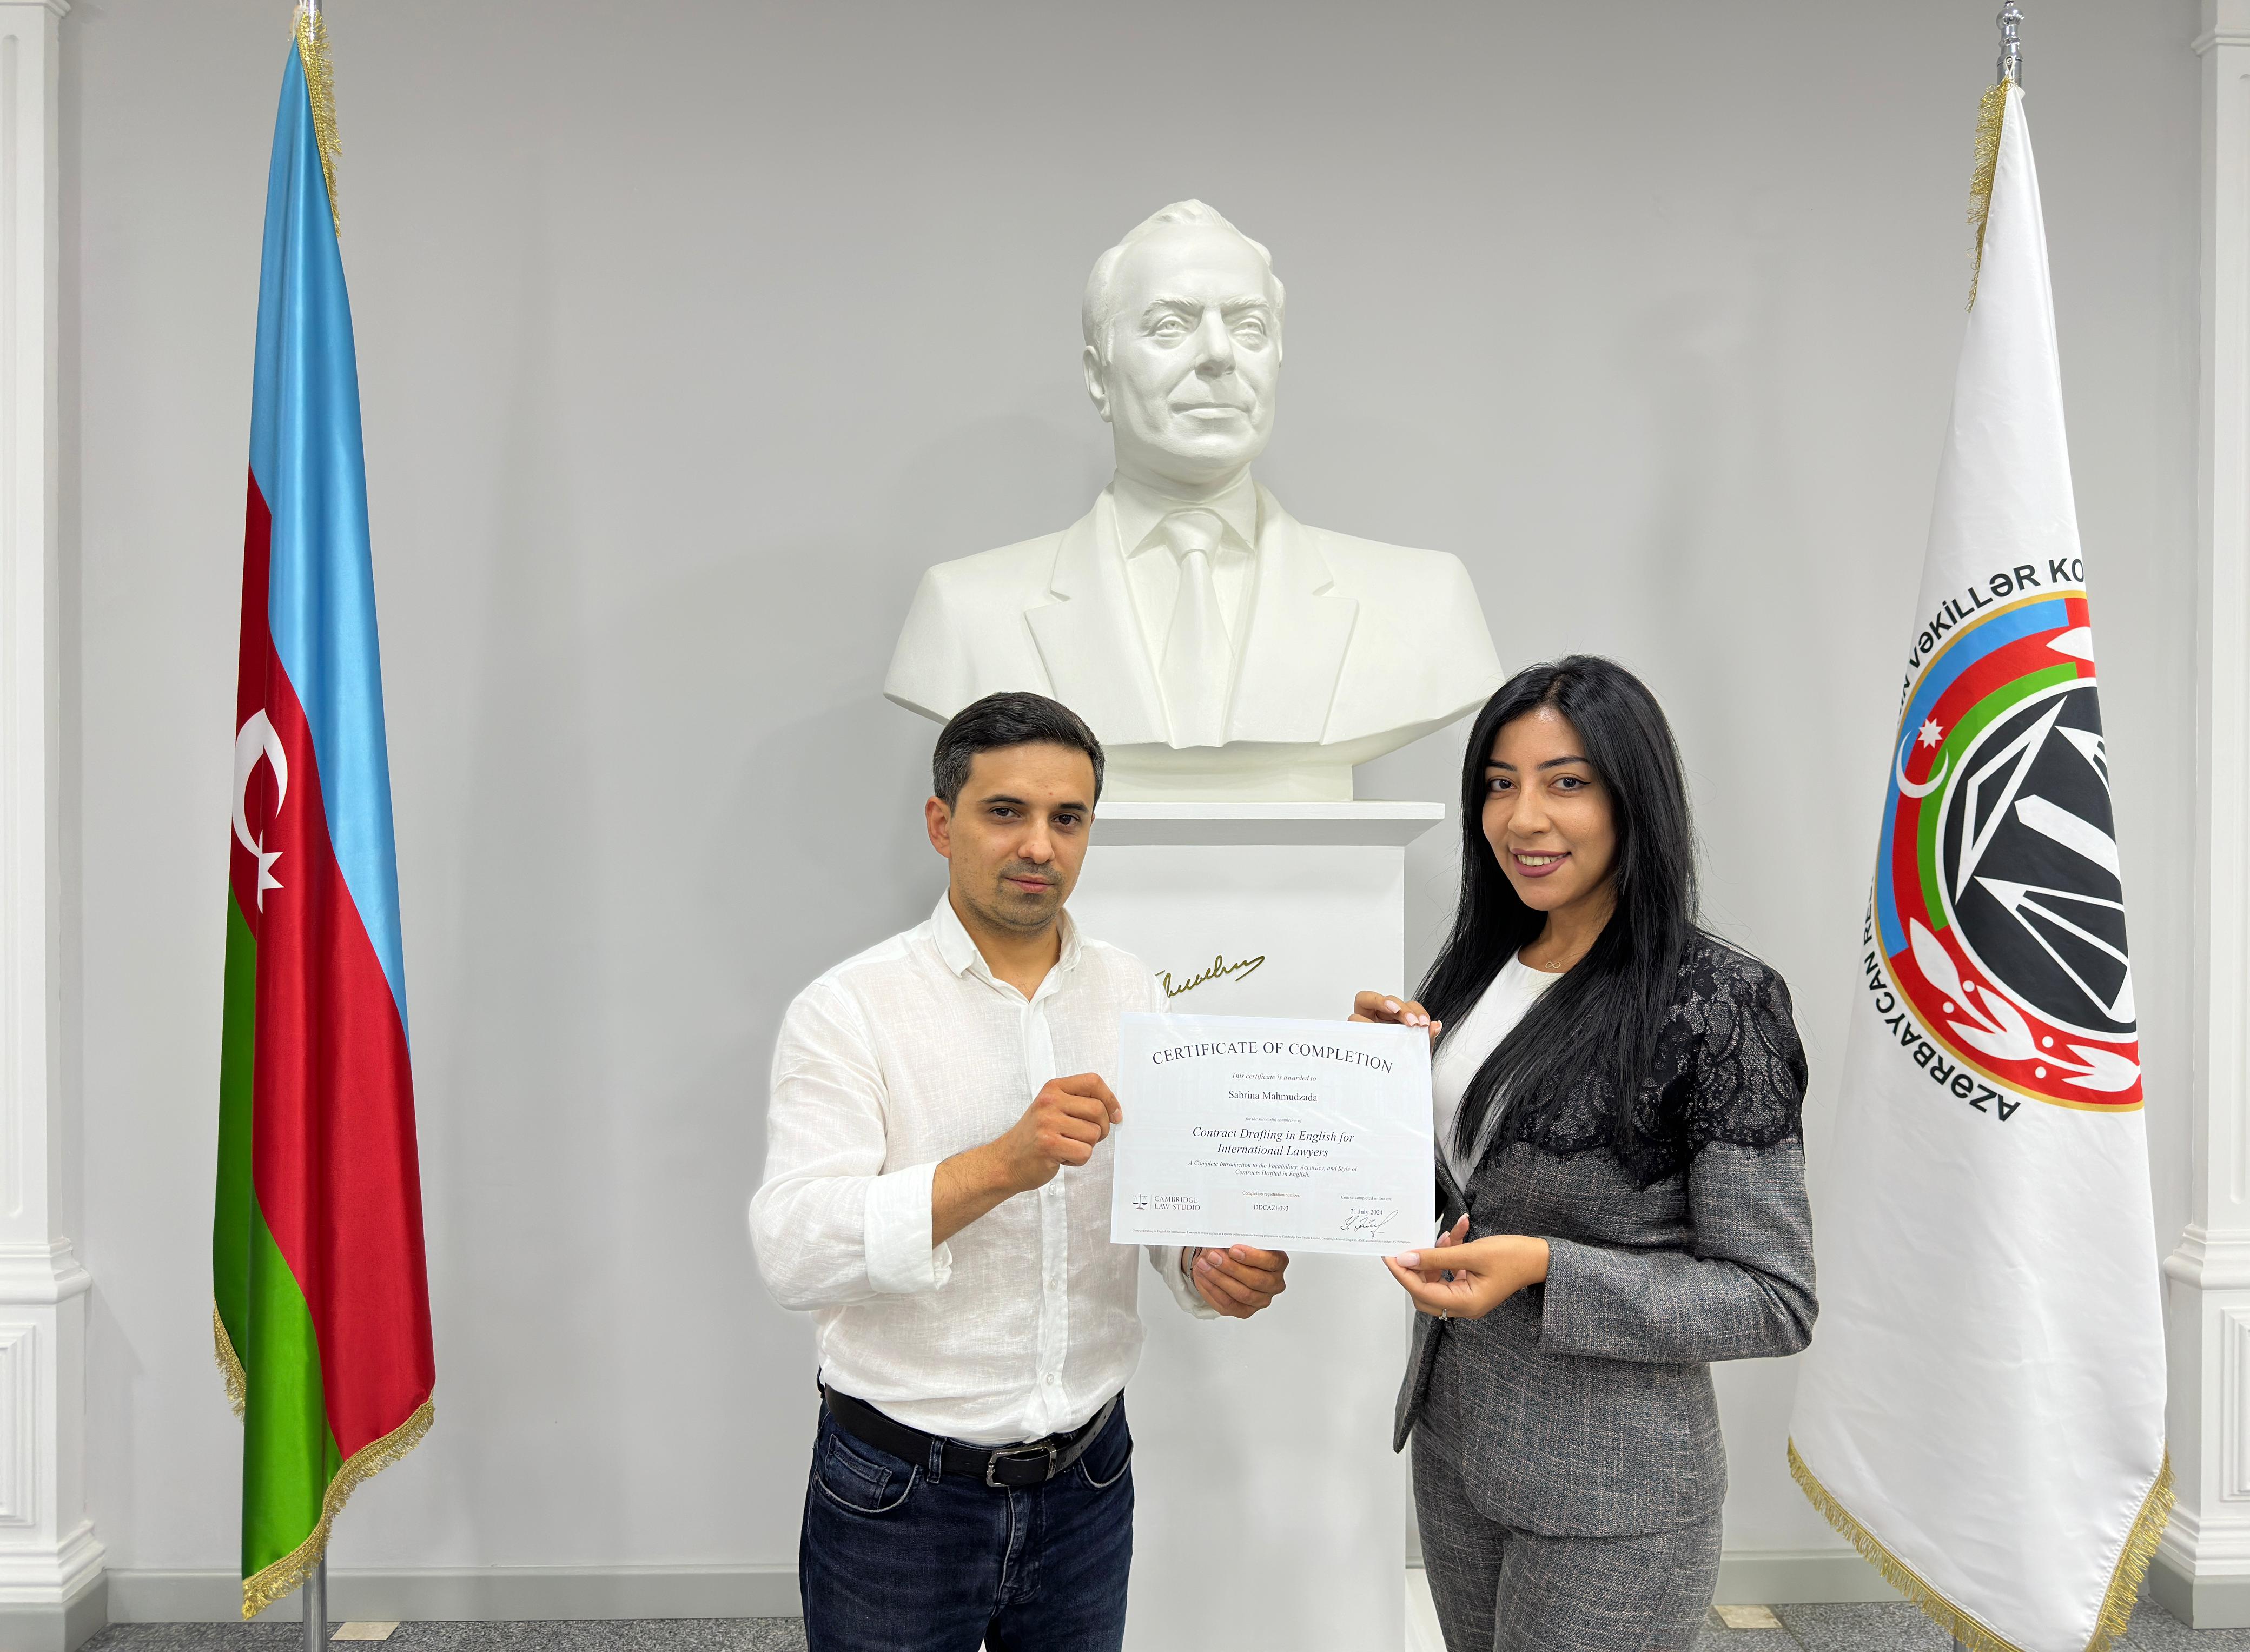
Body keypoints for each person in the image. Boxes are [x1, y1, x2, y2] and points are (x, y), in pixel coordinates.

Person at [750, 690, 1291, 1652]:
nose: (1040, 845)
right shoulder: (849, 1010)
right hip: (900, 1494)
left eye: (1067, 818)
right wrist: (1000, 1165)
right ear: (941, 824)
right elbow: (795, 1253)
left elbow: (1166, 1199)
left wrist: (1206, 1266)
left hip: (1089, 1479)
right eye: (1006, 812)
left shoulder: (1132, 991)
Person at [1354, 656, 1817, 1652]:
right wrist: (1369, 1082)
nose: (1523, 819)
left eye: (1566, 782)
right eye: (1499, 783)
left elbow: (1772, 1298)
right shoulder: (1481, 968)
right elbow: (1466, 1192)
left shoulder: (1717, 1002)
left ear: (1632, 797)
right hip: (1458, 1446)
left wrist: (1545, 1268)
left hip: (1615, 1490)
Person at [883, 200, 1499, 800]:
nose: (1219, 355)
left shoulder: (1426, 601)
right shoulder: (964, 610)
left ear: (1277, 361)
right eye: (1170, 327)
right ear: (1098, 376)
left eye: (1249, 327)